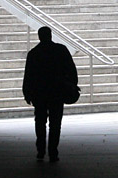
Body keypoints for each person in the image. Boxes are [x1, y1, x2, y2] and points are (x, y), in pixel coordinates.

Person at [22, 26, 78, 162]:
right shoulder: (61, 50)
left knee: (40, 122)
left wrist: (27, 93)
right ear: (51, 35)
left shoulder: (34, 53)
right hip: (57, 92)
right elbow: (71, 69)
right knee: (55, 123)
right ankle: (53, 152)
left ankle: (40, 151)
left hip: (39, 93)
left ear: (39, 36)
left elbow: (28, 75)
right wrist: (72, 85)